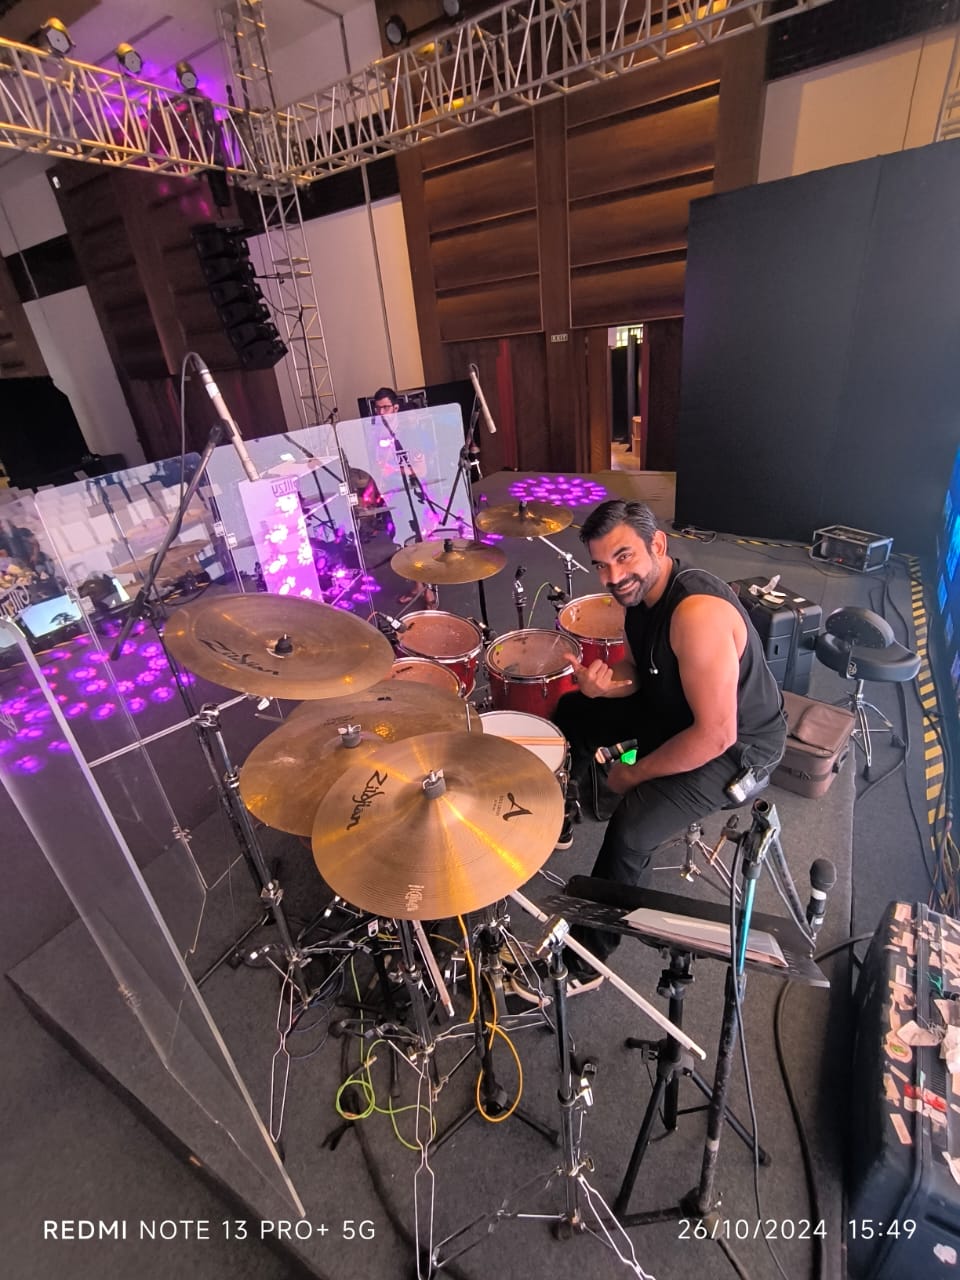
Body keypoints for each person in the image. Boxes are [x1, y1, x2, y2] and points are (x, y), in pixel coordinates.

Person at [552, 499, 787, 970]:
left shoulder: (696, 614)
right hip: (680, 712)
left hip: (739, 746)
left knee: (632, 826)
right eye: (601, 565)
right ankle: (570, 806)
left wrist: (634, 774)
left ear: (657, 545)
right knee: (573, 711)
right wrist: (605, 687)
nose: (613, 576)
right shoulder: (640, 598)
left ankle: (586, 961)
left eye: (623, 557)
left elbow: (715, 735)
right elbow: (640, 671)